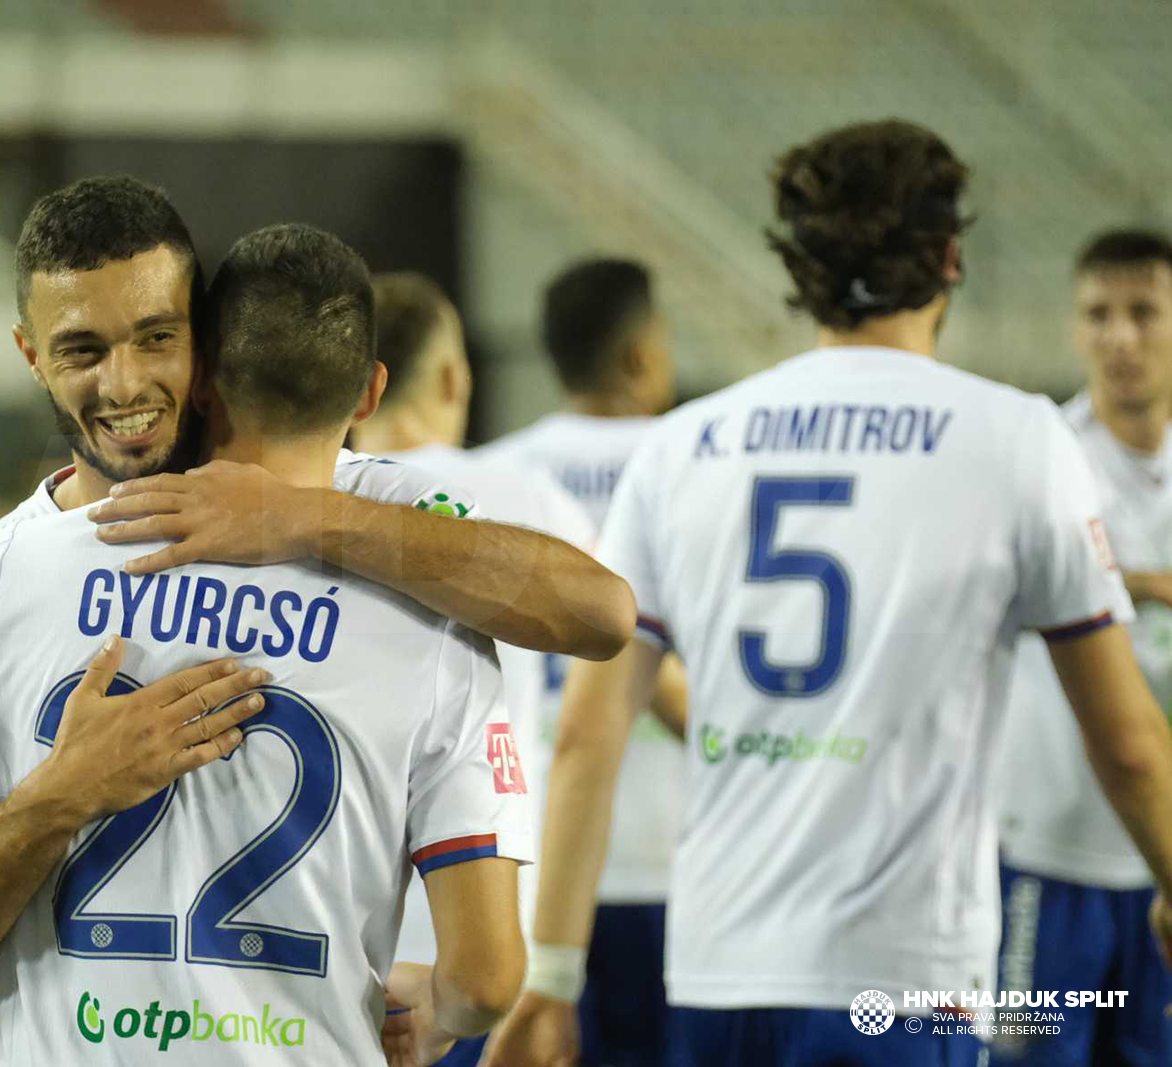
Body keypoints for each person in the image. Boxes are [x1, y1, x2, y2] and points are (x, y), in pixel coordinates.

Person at [485, 119, 1172, 1067]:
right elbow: (1130, 745)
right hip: (908, 974)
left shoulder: (684, 444)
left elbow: (586, 738)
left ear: (798, 264)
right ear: (949, 257)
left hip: (720, 968)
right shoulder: (1017, 439)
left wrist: (554, 977)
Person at [0, 177, 635, 898]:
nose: (125, 383)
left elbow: (599, 612)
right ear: (30, 355)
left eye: (157, 337)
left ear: (210, 341)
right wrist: (43, 816)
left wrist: (298, 517)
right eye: (81, 348)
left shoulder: (354, 498)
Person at [0, 223, 531, 1064]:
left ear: (201, 380)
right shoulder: (435, 605)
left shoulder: (11, 570)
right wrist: (442, 1013)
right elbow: (488, 975)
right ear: (370, 393)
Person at [349, 271, 595, 1067]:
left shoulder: (289, 507)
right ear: (453, 377)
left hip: (322, 941)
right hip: (481, 936)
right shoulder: (534, 503)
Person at [473, 258, 684, 1066]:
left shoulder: (498, 474)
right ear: (640, 353)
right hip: (676, 857)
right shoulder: (692, 460)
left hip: (534, 865)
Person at [994, 229, 1172, 1066]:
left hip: (1162, 855)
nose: (1120, 337)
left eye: (1144, 312)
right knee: (1034, 1056)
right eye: (1099, 314)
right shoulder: (1045, 463)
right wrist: (1136, 581)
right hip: (1050, 851)